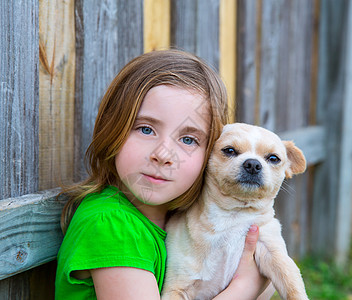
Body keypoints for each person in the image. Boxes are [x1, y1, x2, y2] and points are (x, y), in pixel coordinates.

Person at [55, 49, 269, 299]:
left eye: (188, 139)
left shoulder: (184, 221)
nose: (164, 154)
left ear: (212, 153)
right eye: (146, 129)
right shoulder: (112, 226)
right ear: (113, 127)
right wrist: (246, 287)